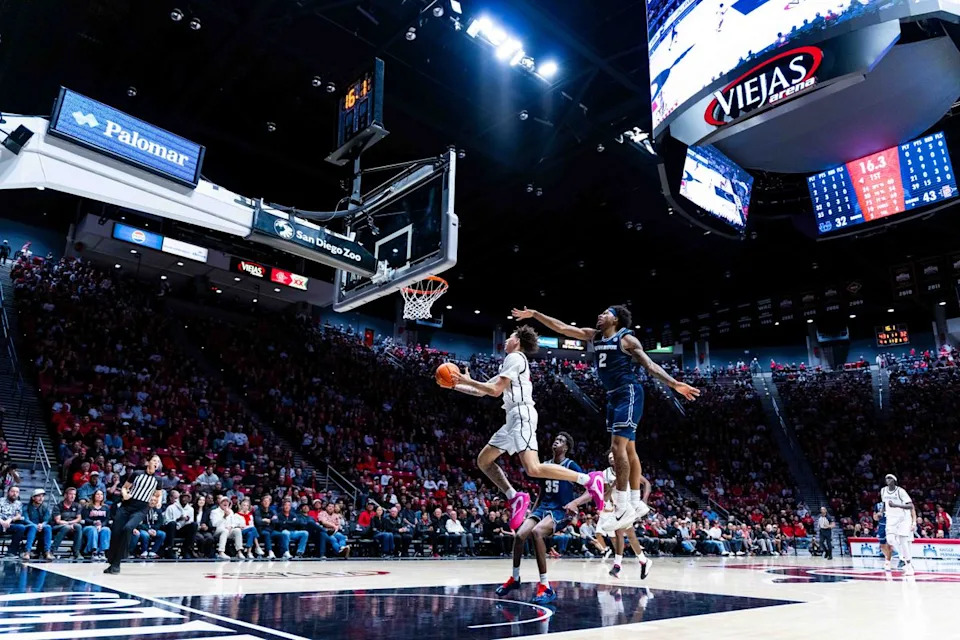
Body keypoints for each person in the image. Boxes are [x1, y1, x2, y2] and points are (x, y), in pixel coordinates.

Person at [514, 305, 700, 527]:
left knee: (617, 447)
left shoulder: (626, 339)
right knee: (629, 448)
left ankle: (622, 505)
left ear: (616, 320)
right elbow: (563, 328)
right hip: (613, 397)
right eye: (600, 312)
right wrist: (535, 314)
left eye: (605, 313)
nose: (600, 315)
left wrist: (674, 383)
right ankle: (635, 502)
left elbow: (649, 365)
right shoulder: (595, 336)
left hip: (628, 392)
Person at [447, 326, 605, 530]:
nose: (506, 340)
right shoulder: (512, 363)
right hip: (513, 417)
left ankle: (589, 479)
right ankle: (515, 497)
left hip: (522, 414)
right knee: (484, 460)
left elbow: (494, 391)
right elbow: (482, 391)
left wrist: (468, 380)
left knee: (534, 468)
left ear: (518, 341)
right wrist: (455, 385)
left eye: (510, 336)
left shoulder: (515, 357)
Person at [495, 432, 586, 605]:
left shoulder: (571, 465)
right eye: (555, 439)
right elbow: (542, 492)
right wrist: (532, 513)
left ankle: (546, 586)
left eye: (560, 441)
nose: (555, 442)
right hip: (543, 508)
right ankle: (515, 578)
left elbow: (589, 488)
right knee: (520, 535)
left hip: (561, 510)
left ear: (566, 448)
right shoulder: (544, 465)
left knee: (537, 532)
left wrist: (576, 503)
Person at [594, 451, 652, 579]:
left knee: (619, 531)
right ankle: (643, 561)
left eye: (613, 456)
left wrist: (644, 500)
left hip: (631, 506)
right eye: (609, 458)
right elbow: (605, 497)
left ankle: (617, 565)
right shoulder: (605, 474)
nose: (611, 459)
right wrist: (613, 486)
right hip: (618, 508)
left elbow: (647, 483)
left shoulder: (629, 470)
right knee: (629, 534)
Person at [105, 454, 162, 574]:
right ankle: (112, 561)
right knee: (115, 532)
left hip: (141, 509)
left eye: (158, 462)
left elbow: (158, 494)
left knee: (128, 528)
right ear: (148, 462)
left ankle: (118, 562)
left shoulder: (158, 480)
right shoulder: (137, 474)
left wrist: (158, 502)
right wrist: (125, 494)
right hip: (127, 506)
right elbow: (125, 487)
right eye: (154, 460)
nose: (156, 463)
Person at [881, 473, 915, 576]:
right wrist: (881, 512)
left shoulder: (900, 491)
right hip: (891, 518)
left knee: (904, 541)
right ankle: (902, 555)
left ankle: (909, 566)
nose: (887, 480)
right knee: (890, 539)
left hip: (903, 518)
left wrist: (896, 505)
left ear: (894, 481)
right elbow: (884, 503)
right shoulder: (883, 490)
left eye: (890, 478)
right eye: (886, 478)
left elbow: (910, 506)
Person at [162, 491, 198, 559]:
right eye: (183, 497)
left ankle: (187, 549)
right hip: (172, 530)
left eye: (187, 498)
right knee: (172, 524)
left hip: (183, 530)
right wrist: (178, 519)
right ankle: (170, 549)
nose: (185, 499)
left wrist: (186, 520)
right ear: (180, 498)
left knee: (194, 524)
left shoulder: (191, 509)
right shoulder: (171, 507)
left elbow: (190, 522)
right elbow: (166, 522)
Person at [52, 487, 83, 560]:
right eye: (70, 494)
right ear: (65, 495)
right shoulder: (58, 506)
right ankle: (52, 550)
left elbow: (79, 518)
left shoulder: (77, 505)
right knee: (67, 527)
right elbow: (58, 521)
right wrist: (69, 524)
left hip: (72, 527)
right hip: (58, 527)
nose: (73, 496)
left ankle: (76, 552)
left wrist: (71, 523)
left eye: (74, 494)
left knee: (78, 526)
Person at [81, 489, 111, 560]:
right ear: (94, 496)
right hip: (88, 526)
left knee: (106, 530)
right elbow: (85, 518)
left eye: (101, 494)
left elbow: (107, 519)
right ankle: (93, 551)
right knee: (93, 529)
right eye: (97, 494)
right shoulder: (87, 506)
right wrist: (94, 522)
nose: (99, 496)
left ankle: (102, 552)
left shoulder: (106, 507)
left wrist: (101, 525)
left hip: (101, 526)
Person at [873, 501, 893, 571]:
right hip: (882, 525)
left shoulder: (893, 503)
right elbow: (874, 518)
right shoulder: (878, 505)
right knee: (882, 544)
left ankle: (888, 561)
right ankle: (887, 557)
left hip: (891, 525)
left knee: (890, 544)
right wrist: (877, 516)